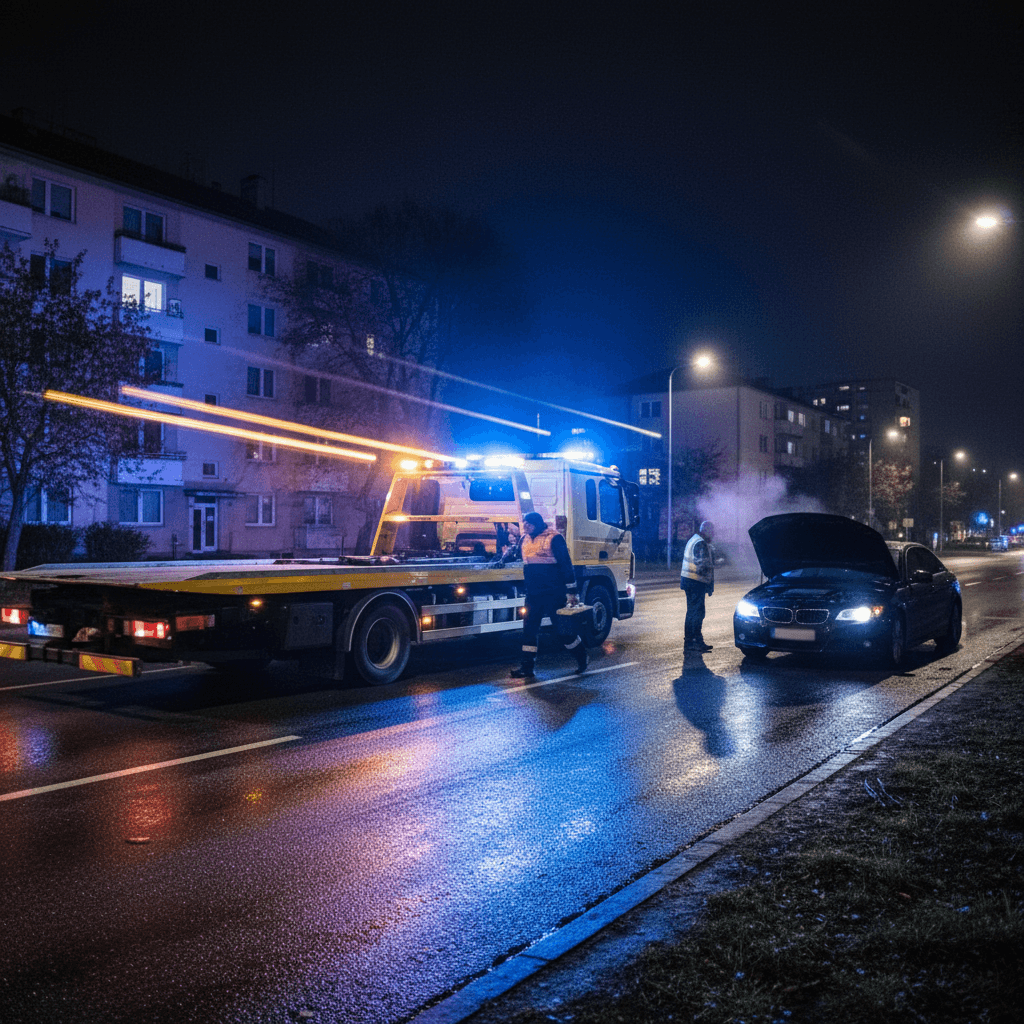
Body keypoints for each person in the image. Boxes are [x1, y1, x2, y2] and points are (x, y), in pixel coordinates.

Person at [507, 511, 588, 678]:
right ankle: (527, 667)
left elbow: (566, 565)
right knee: (529, 631)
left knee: (563, 631)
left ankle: (582, 658)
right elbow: (521, 559)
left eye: (528, 523)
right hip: (533, 594)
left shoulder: (554, 538)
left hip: (553, 593)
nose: (525, 526)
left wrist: (572, 592)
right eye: (524, 523)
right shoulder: (525, 538)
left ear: (537, 523)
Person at [680, 520, 715, 652]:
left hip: (690, 582)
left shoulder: (695, 539)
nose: (713, 535)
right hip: (696, 582)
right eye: (712, 532)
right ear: (706, 531)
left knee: (693, 612)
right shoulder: (700, 543)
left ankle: (692, 641)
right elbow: (701, 565)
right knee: (697, 613)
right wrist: (713, 565)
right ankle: (694, 641)